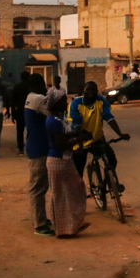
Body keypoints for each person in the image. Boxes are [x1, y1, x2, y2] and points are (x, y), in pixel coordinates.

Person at [44, 91, 89, 238]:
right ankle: (67, 227)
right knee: (73, 191)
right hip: (60, 160)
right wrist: (79, 138)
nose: (66, 103)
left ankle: (67, 227)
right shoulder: (55, 121)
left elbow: (62, 136)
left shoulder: (54, 119)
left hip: (58, 160)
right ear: (56, 102)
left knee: (63, 194)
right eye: (64, 100)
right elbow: (62, 144)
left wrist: (76, 134)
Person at [69, 81, 130, 179]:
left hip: (97, 139)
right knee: (78, 173)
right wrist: (80, 144)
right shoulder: (76, 103)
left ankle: (109, 182)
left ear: (97, 91)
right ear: (83, 91)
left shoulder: (101, 101)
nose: (91, 92)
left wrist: (120, 134)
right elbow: (77, 124)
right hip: (80, 141)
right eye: (88, 89)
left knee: (111, 160)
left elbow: (109, 118)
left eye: (94, 89)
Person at [23, 74, 54, 236]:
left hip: (35, 145)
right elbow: (54, 112)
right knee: (38, 188)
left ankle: (40, 218)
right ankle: (39, 224)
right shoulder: (39, 99)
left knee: (40, 186)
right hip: (40, 147)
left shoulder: (30, 97)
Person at [10, 71, 30, 157]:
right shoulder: (31, 87)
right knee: (30, 130)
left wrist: (13, 113)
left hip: (20, 110)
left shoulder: (17, 87)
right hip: (30, 110)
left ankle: (21, 149)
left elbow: (13, 102)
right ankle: (30, 146)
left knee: (19, 130)